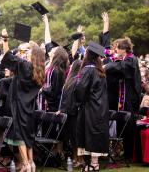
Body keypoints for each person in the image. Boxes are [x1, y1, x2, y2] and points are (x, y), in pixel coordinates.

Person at [0, 30, 45, 172]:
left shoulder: (25, 66)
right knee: (28, 137)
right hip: (30, 107)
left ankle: (25, 164)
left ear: (33, 54)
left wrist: (6, 40)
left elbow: (8, 57)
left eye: (27, 51)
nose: (23, 53)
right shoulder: (39, 70)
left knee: (20, 137)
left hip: (19, 106)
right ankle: (31, 163)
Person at [105, 37, 142, 160]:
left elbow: (118, 67)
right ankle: (125, 153)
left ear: (124, 49)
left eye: (118, 48)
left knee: (129, 126)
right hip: (123, 99)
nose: (116, 50)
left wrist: (106, 67)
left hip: (130, 100)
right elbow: (117, 66)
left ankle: (130, 155)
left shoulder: (131, 60)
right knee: (123, 125)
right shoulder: (125, 59)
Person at [75, 42, 109, 171]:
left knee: (89, 133)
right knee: (95, 133)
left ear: (87, 55)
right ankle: (94, 163)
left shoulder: (87, 70)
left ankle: (93, 164)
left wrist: (78, 102)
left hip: (90, 107)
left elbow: (80, 89)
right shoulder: (100, 71)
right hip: (101, 107)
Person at [57, 59, 83, 168]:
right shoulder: (78, 81)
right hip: (75, 113)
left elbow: (64, 99)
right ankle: (79, 159)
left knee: (73, 138)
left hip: (67, 112)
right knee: (77, 138)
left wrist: (62, 110)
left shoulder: (68, 82)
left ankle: (75, 158)